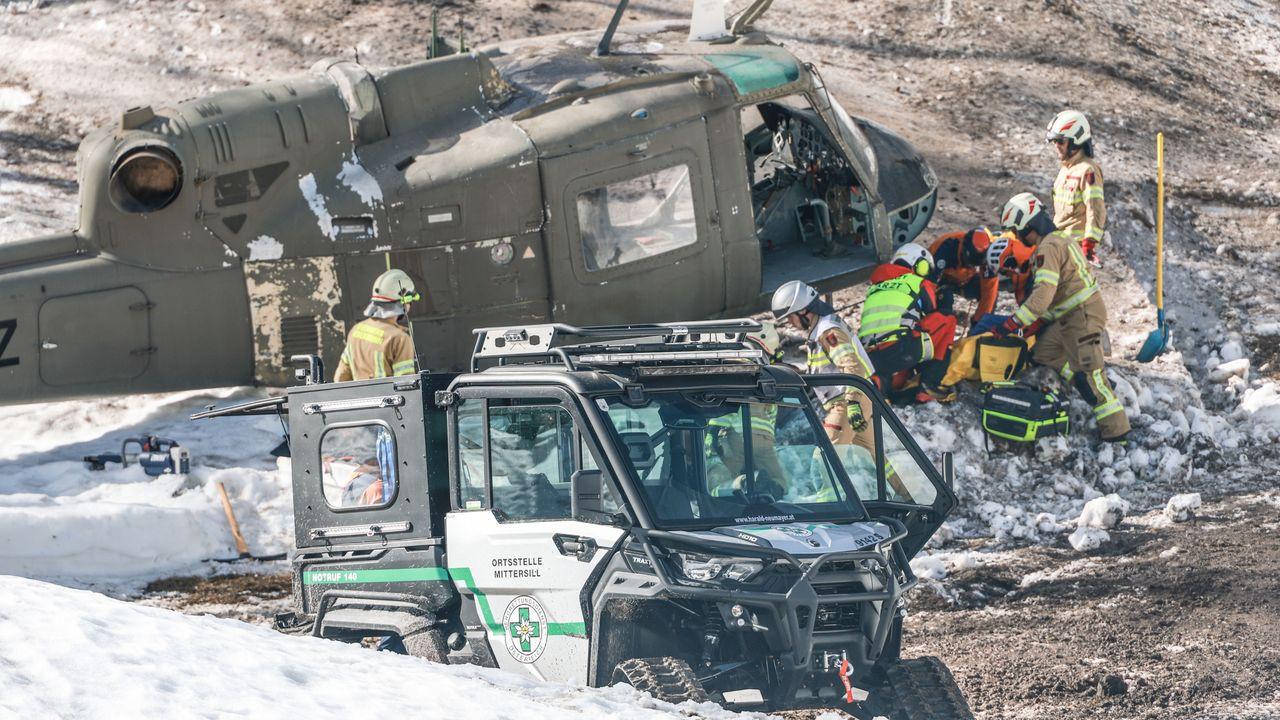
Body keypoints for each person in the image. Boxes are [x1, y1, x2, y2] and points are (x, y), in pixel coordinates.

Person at [991, 192, 1131, 442]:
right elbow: (1058, 295)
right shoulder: (1059, 239)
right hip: (1070, 315)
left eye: (1019, 231)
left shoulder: (1048, 248)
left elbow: (1042, 296)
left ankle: (1117, 433)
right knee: (1043, 354)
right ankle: (1082, 377)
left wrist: (1013, 323)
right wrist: (1039, 322)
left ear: (1028, 225)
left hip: (1081, 316)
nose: (1019, 238)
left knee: (1090, 377)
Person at [771, 280, 874, 443]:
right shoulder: (820, 330)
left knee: (825, 455)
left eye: (790, 316)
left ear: (803, 310)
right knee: (869, 455)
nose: (790, 322)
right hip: (856, 400)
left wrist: (853, 401)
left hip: (847, 403)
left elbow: (852, 365)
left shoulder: (827, 331)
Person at [857, 243, 957, 402]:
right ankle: (929, 386)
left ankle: (879, 384)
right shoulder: (917, 282)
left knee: (897, 374)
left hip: (868, 357)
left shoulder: (874, 288)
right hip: (899, 350)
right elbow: (932, 313)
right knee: (947, 319)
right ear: (920, 265)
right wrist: (945, 301)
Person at [334, 269, 421, 382]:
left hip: (358, 394)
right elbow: (406, 384)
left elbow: (340, 377)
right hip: (386, 394)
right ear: (404, 302)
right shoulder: (399, 339)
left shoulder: (356, 330)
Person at [1047, 110, 1106, 264]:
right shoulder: (1065, 170)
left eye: (1060, 141)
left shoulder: (1088, 170)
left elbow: (1096, 208)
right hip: (1059, 247)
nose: (1056, 146)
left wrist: (1089, 243)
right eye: (1054, 141)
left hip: (1075, 251)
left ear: (1075, 141)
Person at [929, 228, 999, 328]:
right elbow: (928, 284)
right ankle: (940, 326)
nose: (971, 266)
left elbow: (989, 293)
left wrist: (978, 324)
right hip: (941, 280)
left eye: (975, 265)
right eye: (969, 263)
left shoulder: (989, 257)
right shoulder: (946, 246)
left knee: (992, 295)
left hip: (965, 281)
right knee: (945, 297)